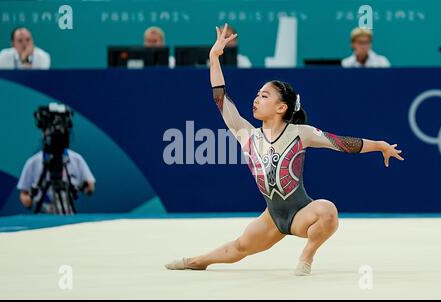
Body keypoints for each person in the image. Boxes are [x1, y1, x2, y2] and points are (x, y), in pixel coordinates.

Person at [165, 24, 404, 275]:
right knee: (238, 249)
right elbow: (220, 99)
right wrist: (214, 58)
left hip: (301, 213)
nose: (257, 99)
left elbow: (342, 143)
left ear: (282, 108)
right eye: (257, 95)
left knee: (328, 212)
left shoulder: (301, 133)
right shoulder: (246, 134)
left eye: (265, 96)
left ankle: (306, 257)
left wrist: (379, 146)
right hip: (272, 217)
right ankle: (196, 261)